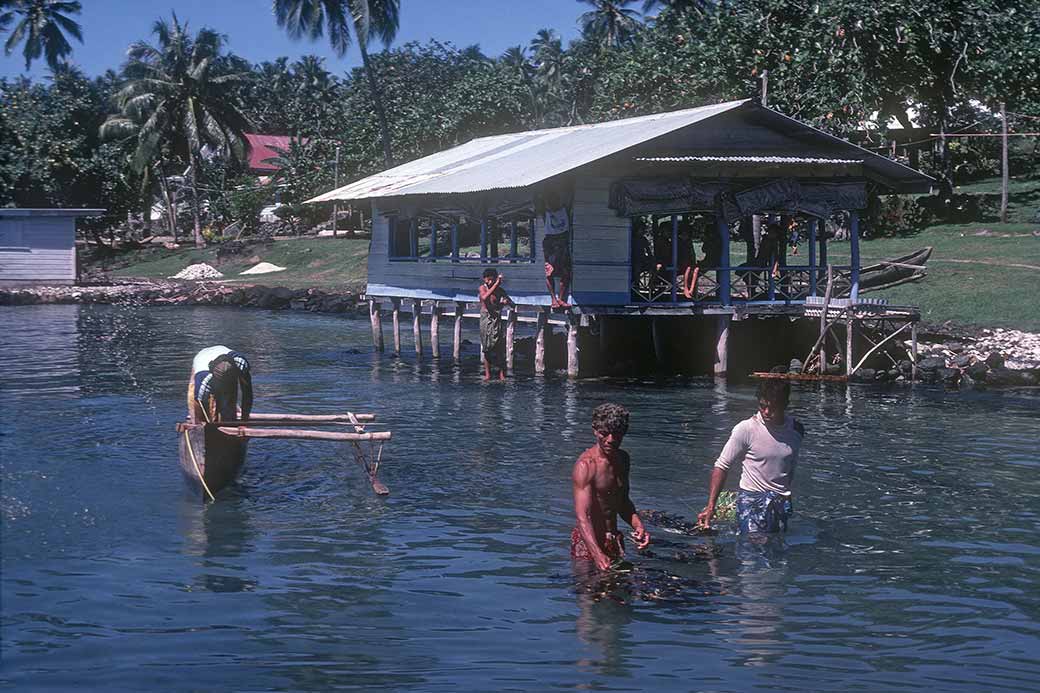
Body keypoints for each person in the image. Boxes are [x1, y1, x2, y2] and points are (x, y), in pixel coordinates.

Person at [696, 380, 805, 534]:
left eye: (772, 407)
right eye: (762, 406)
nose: (766, 412)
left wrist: (786, 496)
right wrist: (711, 506)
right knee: (752, 550)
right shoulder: (746, 429)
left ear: (785, 405)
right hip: (752, 501)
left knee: (777, 551)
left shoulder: (797, 430)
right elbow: (721, 466)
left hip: (781, 502)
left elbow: (790, 467)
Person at [572, 403, 652, 571]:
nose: (610, 440)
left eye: (616, 434)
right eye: (604, 433)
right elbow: (582, 517)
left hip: (614, 539)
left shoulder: (623, 459)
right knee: (589, 593)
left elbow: (622, 501)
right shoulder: (586, 466)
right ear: (595, 430)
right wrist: (597, 554)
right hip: (589, 545)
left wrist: (638, 526)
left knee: (622, 594)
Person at [187, 345, 253, 423]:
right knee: (195, 399)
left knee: (228, 407)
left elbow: (247, 393)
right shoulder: (204, 378)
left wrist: (244, 419)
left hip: (225, 355)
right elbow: (199, 401)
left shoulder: (241, 364)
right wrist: (201, 423)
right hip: (202, 359)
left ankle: (229, 421)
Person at [478, 268, 514, 381]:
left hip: (496, 319)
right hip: (486, 319)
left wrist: (506, 302)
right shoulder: (482, 288)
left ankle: (501, 374)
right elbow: (484, 298)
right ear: (484, 279)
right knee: (487, 347)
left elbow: (512, 304)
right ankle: (488, 374)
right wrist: (496, 284)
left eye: (492, 280)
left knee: (499, 347)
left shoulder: (500, 291)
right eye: (488, 280)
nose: (490, 282)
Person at [542, 191, 572, 309]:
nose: (553, 203)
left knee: (566, 272)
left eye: (555, 201)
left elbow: (570, 199)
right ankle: (553, 300)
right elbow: (538, 203)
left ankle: (560, 299)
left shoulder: (564, 210)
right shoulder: (546, 213)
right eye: (550, 201)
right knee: (550, 271)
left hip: (562, 241)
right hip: (551, 241)